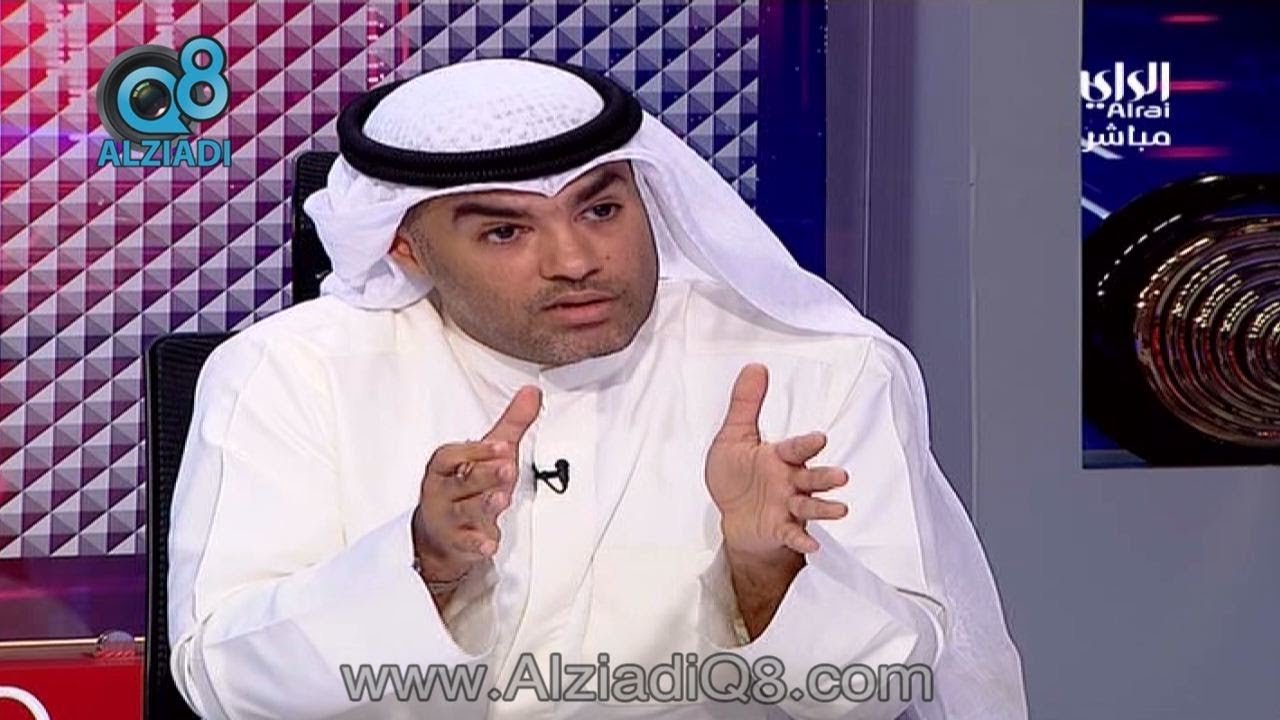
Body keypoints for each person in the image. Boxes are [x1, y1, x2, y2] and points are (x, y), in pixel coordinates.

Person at [166, 57, 1027, 720]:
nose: (576, 260)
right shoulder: (291, 374)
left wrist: (767, 574)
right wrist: (421, 564)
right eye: (505, 232)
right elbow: (222, 682)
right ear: (406, 248)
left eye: (601, 210)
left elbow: (887, 689)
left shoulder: (813, 365)